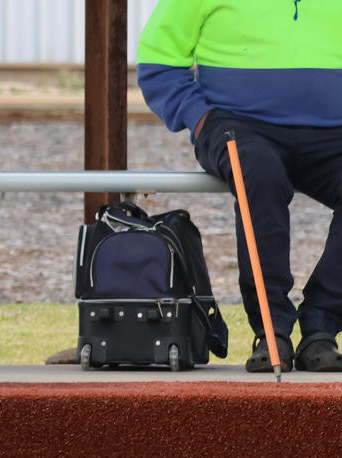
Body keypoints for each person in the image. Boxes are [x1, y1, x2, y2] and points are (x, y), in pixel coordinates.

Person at [137, 0, 342, 372]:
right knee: (259, 174)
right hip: (239, 124)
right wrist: (200, 120)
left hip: (333, 132)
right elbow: (159, 61)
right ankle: (272, 331)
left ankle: (322, 327)